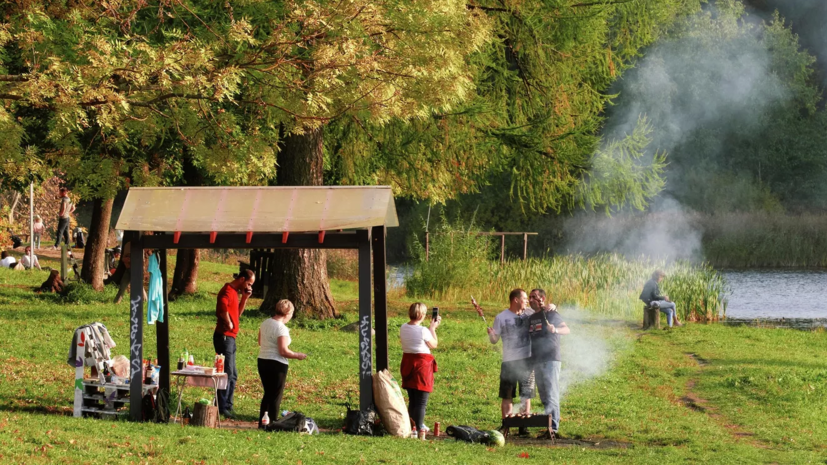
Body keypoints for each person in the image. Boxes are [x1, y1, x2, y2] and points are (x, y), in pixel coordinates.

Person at [486, 288, 535, 427]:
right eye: (525, 299)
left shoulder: (530, 314)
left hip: (527, 360)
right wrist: (491, 335)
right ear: (516, 300)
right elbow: (494, 340)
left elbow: (546, 314)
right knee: (507, 395)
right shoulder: (501, 317)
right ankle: (506, 423)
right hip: (509, 362)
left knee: (526, 394)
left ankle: (523, 426)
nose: (527, 301)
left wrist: (552, 307)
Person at [257, 299, 307, 429]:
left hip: (262, 360)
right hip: (277, 364)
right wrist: (297, 355)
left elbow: (260, 342)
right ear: (288, 313)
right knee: (275, 395)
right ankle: (272, 422)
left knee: (267, 393)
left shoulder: (265, 323)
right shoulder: (281, 328)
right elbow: (283, 351)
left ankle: (263, 422)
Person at [527, 288, 570, 438]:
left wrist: (555, 330)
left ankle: (554, 429)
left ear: (542, 298)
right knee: (544, 395)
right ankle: (548, 428)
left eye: (534, 297)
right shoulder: (532, 317)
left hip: (550, 358)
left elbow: (567, 330)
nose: (531, 299)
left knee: (552, 393)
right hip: (537, 360)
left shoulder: (551, 313)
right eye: (530, 297)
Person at [214, 269, 255, 419]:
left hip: (231, 338)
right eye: (249, 283)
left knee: (233, 374)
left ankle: (227, 405)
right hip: (224, 337)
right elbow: (223, 308)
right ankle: (221, 406)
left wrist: (244, 298)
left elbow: (237, 313)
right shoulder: (227, 290)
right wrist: (228, 322)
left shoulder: (236, 292)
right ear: (242, 279)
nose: (249, 286)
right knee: (226, 372)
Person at [400, 302, 441, 440]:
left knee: (412, 399)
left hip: (407, 364)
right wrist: (433, 328)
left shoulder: (403, 328)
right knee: (421, 401)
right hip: (421, 366)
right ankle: (418, 428)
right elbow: (434, 344)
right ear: (422, 315)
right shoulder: (423, 330)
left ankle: (411, 426)